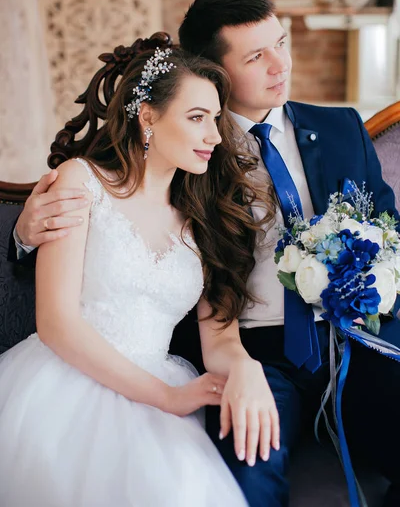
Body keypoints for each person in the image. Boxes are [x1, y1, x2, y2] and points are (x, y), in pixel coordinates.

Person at [11, 0, 400, 507]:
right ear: (215, 69)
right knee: (247, 465)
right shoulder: (193, 163)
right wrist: (22, 233)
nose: (279, 65)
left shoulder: (340, 129)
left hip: (355, 339)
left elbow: (389, 233)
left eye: (281, 44)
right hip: (256, 350)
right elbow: (110, 196)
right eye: (255, 56)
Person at [0, 44, 281, 507]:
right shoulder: (81, 182)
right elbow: (56, 322)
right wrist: (165, 398)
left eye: (215, 118)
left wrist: (246, 371)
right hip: (64, 382)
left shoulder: (206, 223)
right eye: (196, 117)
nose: (213, 135)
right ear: (147, 116)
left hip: (165, 389)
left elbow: (220, 342)